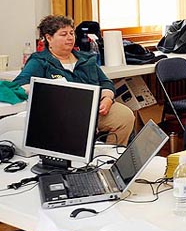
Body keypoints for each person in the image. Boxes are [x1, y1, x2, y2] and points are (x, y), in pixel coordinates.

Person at [13, 15, 134, 145]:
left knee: (125, 116)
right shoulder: (40, 61)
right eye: (63, 34)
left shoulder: (86, 59)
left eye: (71, 33)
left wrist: (107, 99)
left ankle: (110, 157)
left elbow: (106, 82)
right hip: (62, 114)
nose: (70, 37)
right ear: (49, 38)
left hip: (93, 109)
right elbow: (19, 85)